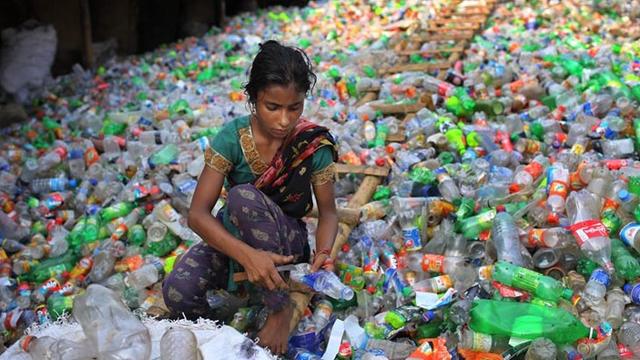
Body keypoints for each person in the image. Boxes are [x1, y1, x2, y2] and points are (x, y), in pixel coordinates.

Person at [162, 40, 338, 355]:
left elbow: (328, 214)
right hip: (236, 241)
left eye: (294, 107)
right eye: (273, 107)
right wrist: (248, 256)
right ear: (254, 98)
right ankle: (233, 333)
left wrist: (324, 252)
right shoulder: (232, 138)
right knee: (178, 291)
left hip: (286, 246)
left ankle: (278, 308)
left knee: (243, 196)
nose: (285, 120)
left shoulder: (312, 144)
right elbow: (198, 215)